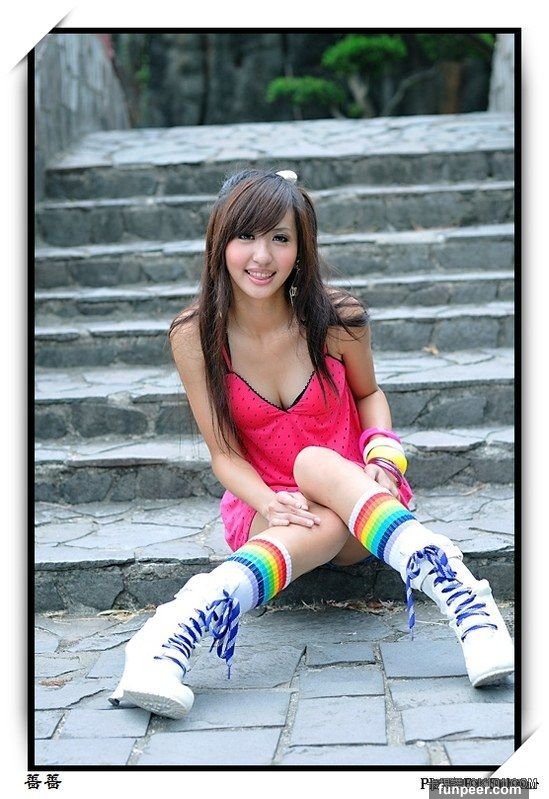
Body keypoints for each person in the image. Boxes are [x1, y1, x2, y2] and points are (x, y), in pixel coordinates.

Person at [109, 168, 514, 719]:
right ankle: (465, 598)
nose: (262, 256)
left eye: (280, 237)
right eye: (245, 236)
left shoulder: (337, 318)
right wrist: (270, 501)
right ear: (219, 241)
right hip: (266, 508)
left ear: (301, 247)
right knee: (312, 507)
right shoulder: (195, 335)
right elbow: (224, 455)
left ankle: (172, 627)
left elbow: (369, 395)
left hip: (356, 498)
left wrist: (383, 457)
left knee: (315, 462)